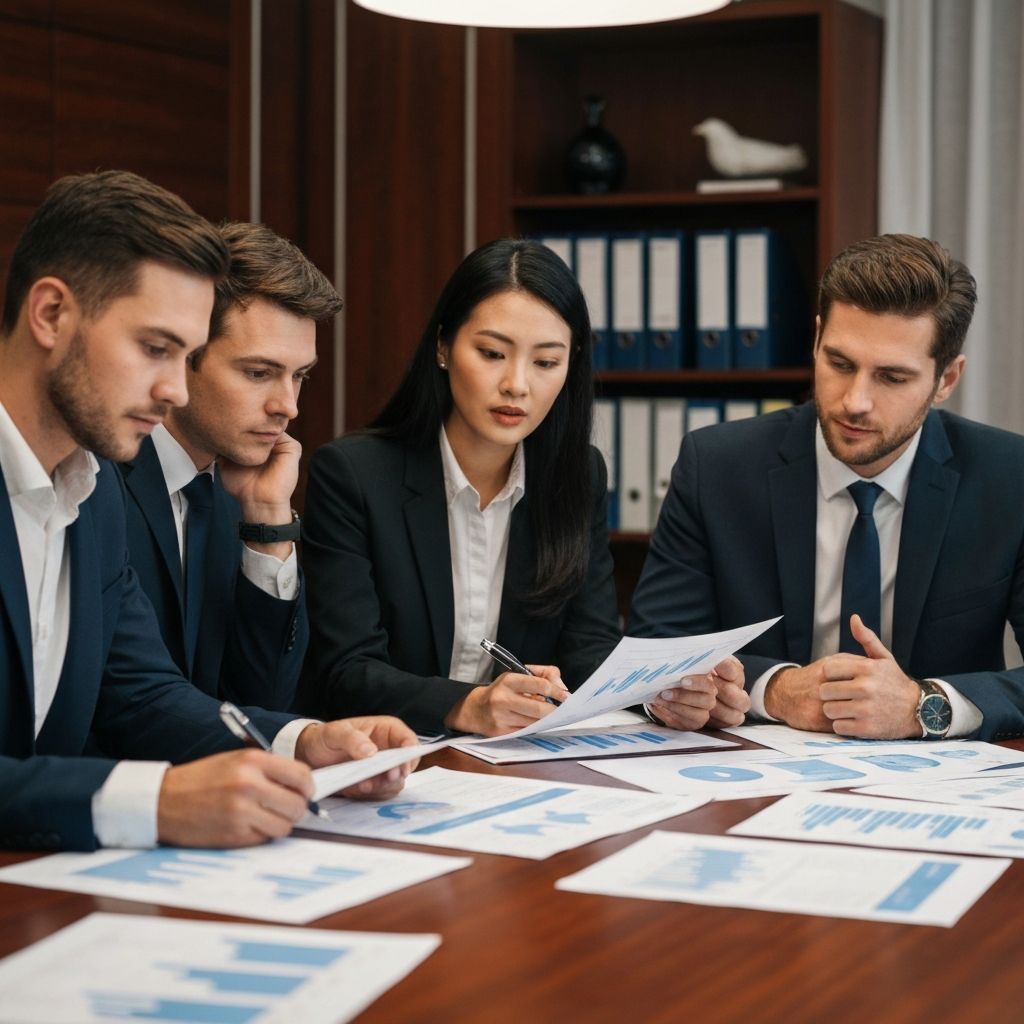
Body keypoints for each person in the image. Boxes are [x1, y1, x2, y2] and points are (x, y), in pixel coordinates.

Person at [0, 169, 415, 853]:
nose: (174, 389)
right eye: (155, 349)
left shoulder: (89, 492)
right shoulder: (109, 483)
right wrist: (153, 801)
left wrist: (301, 741)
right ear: (50, 314)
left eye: (185, 356)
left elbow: (141, 693)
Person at [298, 238, 727, 738]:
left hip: (514, 760)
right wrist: (468, 705)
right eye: (492, 353)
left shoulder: (577, 475)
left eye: (545, 363)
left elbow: (587, 647)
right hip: (390, 753)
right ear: (443, 347)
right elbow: (345, 671)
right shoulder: (354, 474)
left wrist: (659, 695)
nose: (517, 385)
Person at [630, 233, 1024, 742]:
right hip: (754, 768)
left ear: (946, 379)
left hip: (942, 777)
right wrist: (775, 689)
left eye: (892, 378)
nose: (855, 401)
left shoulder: (1008, 477)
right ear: (816, 340)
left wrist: (924, 705)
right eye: (840, 364)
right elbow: (654, 650)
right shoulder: (717, 466)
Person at [117, 222, 340, 709]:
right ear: (182, 355)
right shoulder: (96, 476)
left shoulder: (234, 493)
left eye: (299, 376)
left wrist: (267, 522)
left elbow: (263, 699)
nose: (288, 406)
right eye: (258, 373)